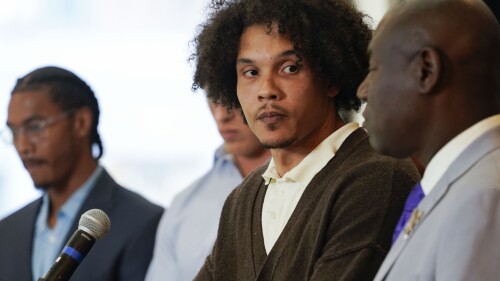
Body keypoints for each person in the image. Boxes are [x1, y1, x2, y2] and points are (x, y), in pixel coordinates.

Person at [190, 0, 421, 280]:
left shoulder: (378, 176)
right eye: (250, 72)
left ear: (331, 78)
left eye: (289, 68)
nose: (266, 91)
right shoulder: (242, 199)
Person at [357, 0, 500, 280]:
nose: (362, 91)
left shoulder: (483, 198)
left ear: (426, 70)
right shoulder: (461, 185)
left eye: (373, 69)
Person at [0, 66, 164, 281]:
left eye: (35, 127)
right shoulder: (7, 231)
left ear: (81, 123)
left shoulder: (144, 223)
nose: (22, 146)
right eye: (14, 132)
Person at [145, 99, 270, 281]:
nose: (222, 115)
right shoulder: (183, 204)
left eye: (232, 97)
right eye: (213, 98)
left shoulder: (311, 186)